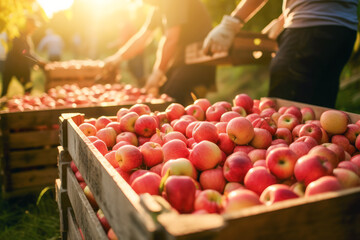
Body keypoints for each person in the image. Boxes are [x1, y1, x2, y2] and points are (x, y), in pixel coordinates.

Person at [203, 0, 359, 108]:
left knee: (284, 109)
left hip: (308, 29)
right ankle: (319, 153)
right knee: (319, 107)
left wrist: (231, 23)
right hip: (344, 31)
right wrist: (284, 19)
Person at [104, 0, 216, 105]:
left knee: (170, 98)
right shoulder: (158, 7)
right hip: (181, 60)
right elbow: (143, 37)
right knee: (161, 96)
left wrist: (158, 73)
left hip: (198, 61)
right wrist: (117, 58)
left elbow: (171, 39)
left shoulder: (172, 2)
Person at [1, 16, 46, 97]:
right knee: (26, 88)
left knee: (27, 88)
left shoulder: (26, 36)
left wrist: (34, 63)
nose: (34, 29)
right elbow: (24, 52)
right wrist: (37, 61)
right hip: (15, 67)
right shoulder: (19, 35)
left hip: (16, 67)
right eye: (33, 26)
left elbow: (27, 53)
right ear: (28, 25)